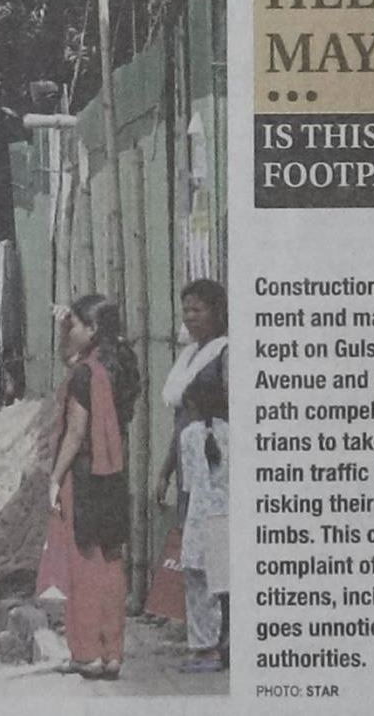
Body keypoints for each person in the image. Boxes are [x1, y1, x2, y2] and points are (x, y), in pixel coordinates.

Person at [44, 295, 140, 680]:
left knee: (84, 563)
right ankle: (112, 653)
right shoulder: (123, 365)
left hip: (84, 473)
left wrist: (54, 478)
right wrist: (63, 327)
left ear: (93, 329)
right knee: (112, 559)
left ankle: (87, 653)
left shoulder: (85, 375)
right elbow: (70, 356)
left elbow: (75, 433)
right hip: (114, 472)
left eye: (77, 325)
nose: (72, 332)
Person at [154, 278, 229, 671]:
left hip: (218, 467)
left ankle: (216, 644)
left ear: (217, 311)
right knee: (197, 555)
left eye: (197, 309)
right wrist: (166, 471)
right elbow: (181, 421)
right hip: (192, 467)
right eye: (185, 310)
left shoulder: (226, 353)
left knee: (214, 554)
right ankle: (209, 641)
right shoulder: (188, 357)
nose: (190, 317)